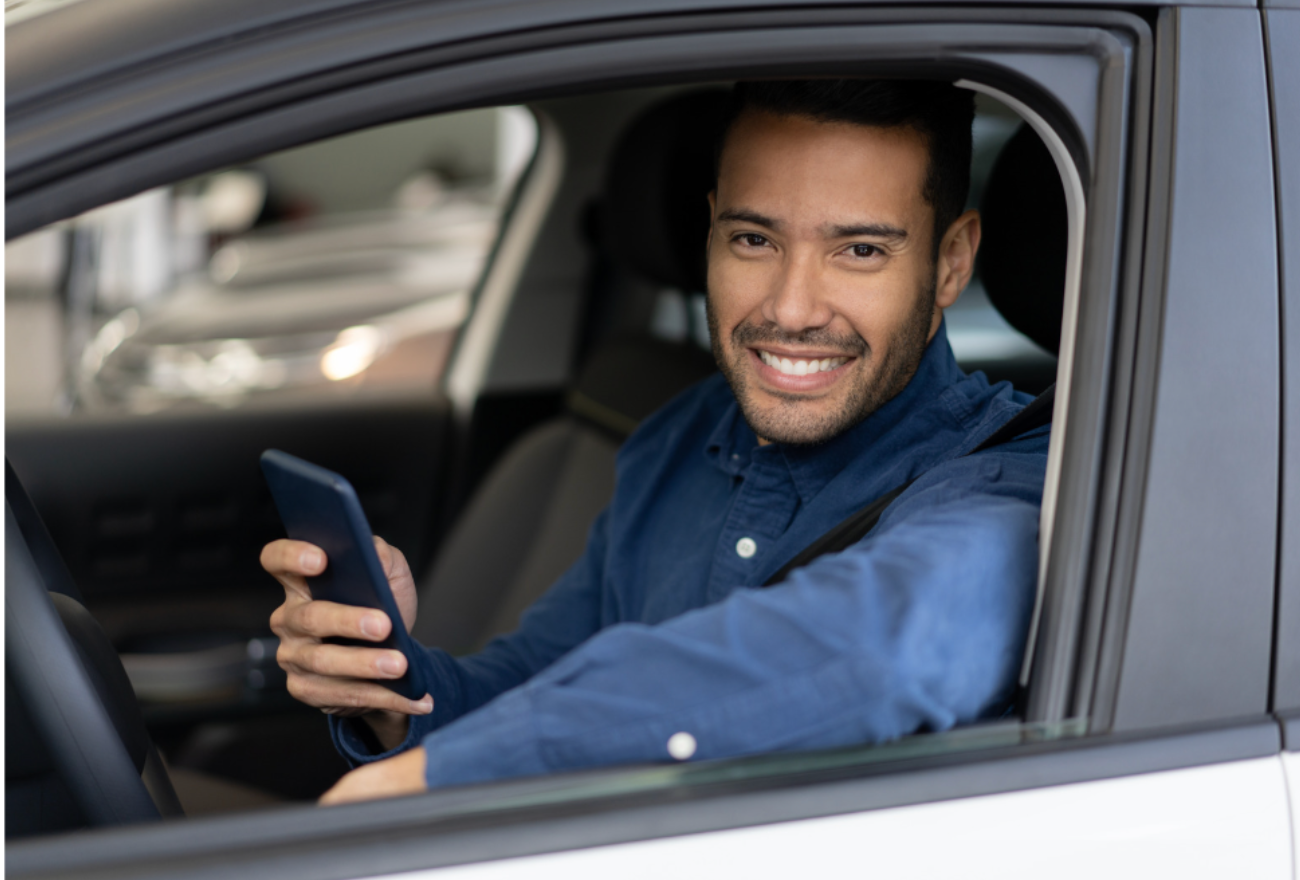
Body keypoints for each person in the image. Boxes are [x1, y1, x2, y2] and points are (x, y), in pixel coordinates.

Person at [261, 79, 1051, 804]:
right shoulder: (677, 436)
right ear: (709, 230)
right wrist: (391, 686)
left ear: (951, 264)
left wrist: (442, 776)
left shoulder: (1011, 475)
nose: (794, 306)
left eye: (861, 251)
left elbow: (890, 647)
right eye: (754, 240)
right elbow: (535, 680)